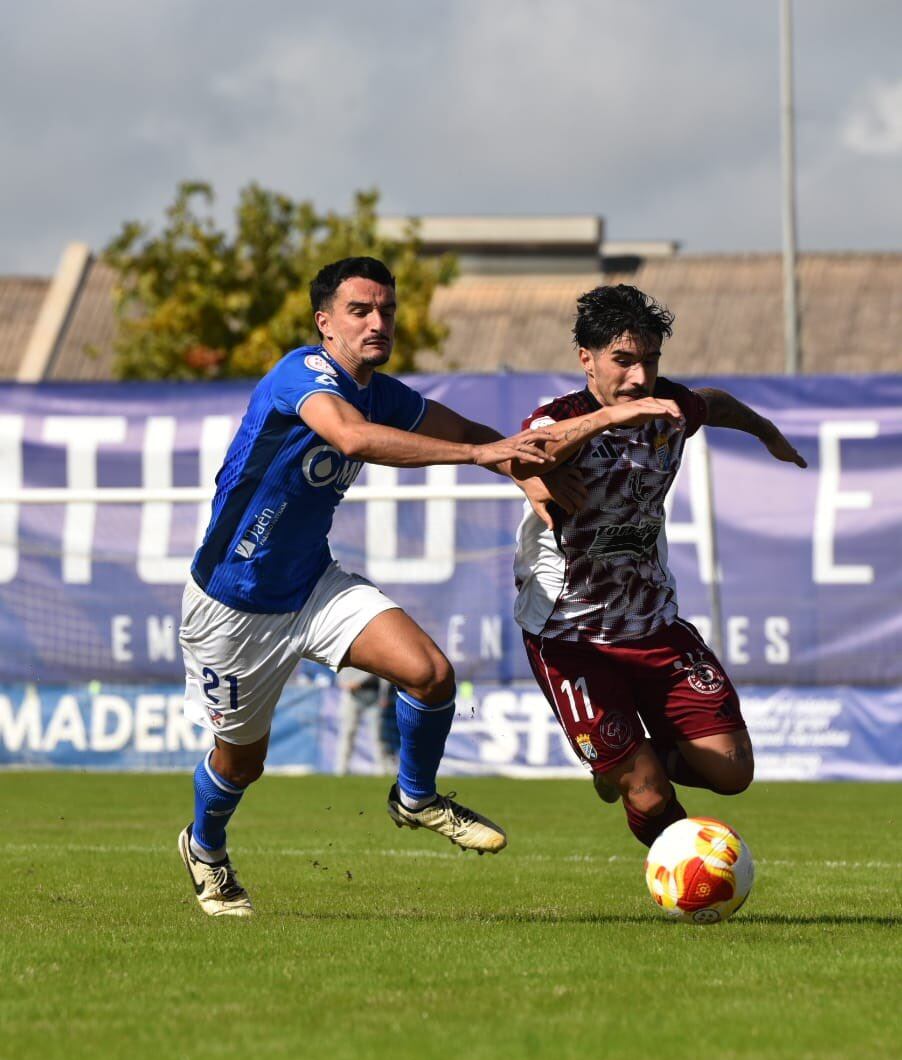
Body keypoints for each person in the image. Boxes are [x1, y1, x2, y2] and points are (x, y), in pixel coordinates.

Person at [177, 255, 565, 916]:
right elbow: (351, 439)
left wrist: (520, 468)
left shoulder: (382, 391)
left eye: (386, 309)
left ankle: (415, 797)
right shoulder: (300, 373)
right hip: (231, 607)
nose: (377, 321)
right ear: (325, 322)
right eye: (360, 310)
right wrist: (478, 456)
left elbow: (470, 432)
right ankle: (205, 847)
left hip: (312, 586)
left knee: (430, 674)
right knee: (242, 765)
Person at [511, 284, 807, 849]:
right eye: (623, 361)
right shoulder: (563, 417)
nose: (640, 377)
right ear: (587, 360)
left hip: (652, 623)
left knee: (733, 770)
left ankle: (626, 760)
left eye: (650, 361)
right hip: (570, 633)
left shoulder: (668, 408)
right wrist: (615, 416)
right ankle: (676, 859)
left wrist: (768, 434)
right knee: (645, 793)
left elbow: (715, 403)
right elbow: (528, 453)